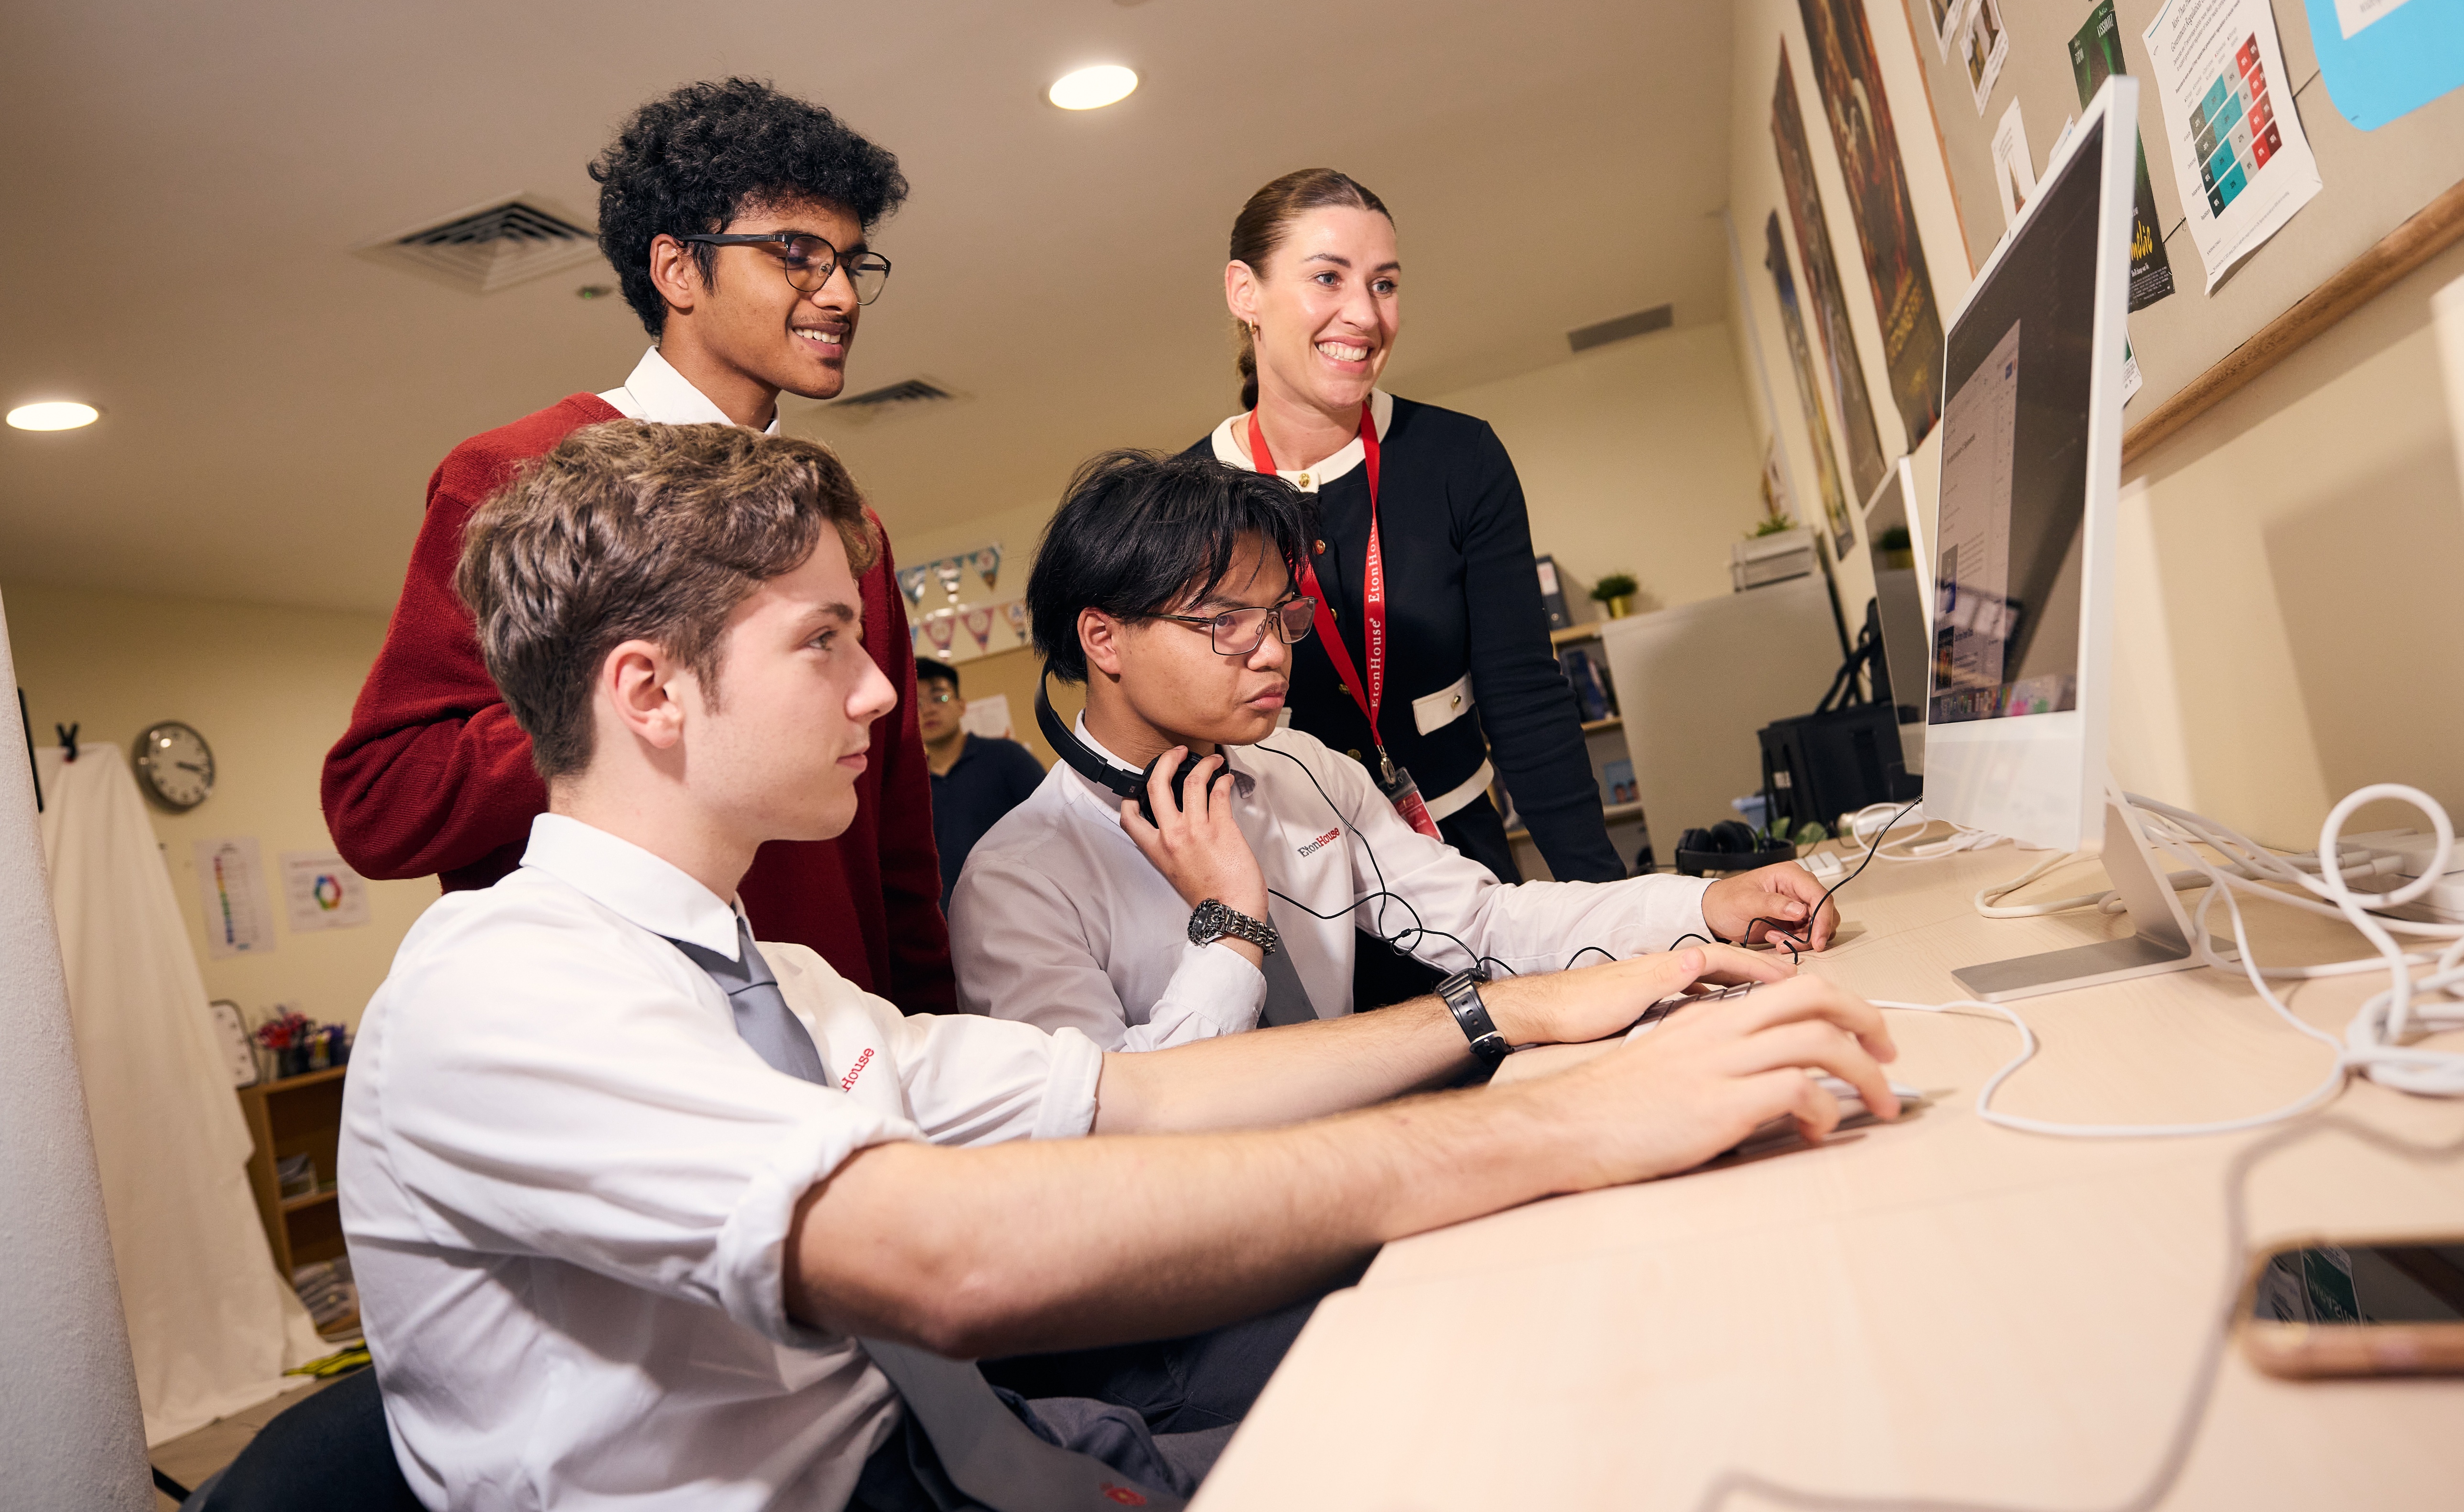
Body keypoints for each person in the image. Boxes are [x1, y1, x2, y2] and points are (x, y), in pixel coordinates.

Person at [340, 418, 1899, 1512]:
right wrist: (1553, 1123)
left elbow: (1131, 1095)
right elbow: (954, 1259)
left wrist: (1526, 1003)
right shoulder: (503, 985)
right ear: (649, 690)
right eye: (825, 640)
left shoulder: (773, 981)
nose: (888, 689)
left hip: (974, 1457)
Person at [321, 77, 956, 1012]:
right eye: (797, 256)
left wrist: (930, 1041)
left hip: (840, 1052)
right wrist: (632, 703)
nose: (840, 295)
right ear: (679, 271)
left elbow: (897, 839)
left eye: (851, 264)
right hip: (614, 1050)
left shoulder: (849, 534)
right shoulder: (517, 474)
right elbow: (382, 807)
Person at [950, 451, 1840, 1051]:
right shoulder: (1020, 879)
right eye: (1224, 620)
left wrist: (1704, 903)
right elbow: (1108, 1122)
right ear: (1103, 639)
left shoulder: (1301, 766)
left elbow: (1486, 925)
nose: (1271, 650)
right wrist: (1228, 919)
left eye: (1280, 616)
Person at [1183, 167, 1621, 894]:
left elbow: (1523, 695)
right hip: (1283, 881)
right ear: (1244, 292)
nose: (1363, 312)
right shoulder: (1183, 505)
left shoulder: (1457, 457)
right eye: (1328, 277)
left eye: (1383, 284)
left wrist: (1609, 901)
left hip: (1457, 848)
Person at [915, 656, 1046, 908]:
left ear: (961, 706)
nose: (928, 710)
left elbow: (1053, 822)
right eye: (917, 704)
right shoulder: (911, 786)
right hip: (949, 924)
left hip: (1022, 907)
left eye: (939, 697)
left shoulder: (1007, 756)